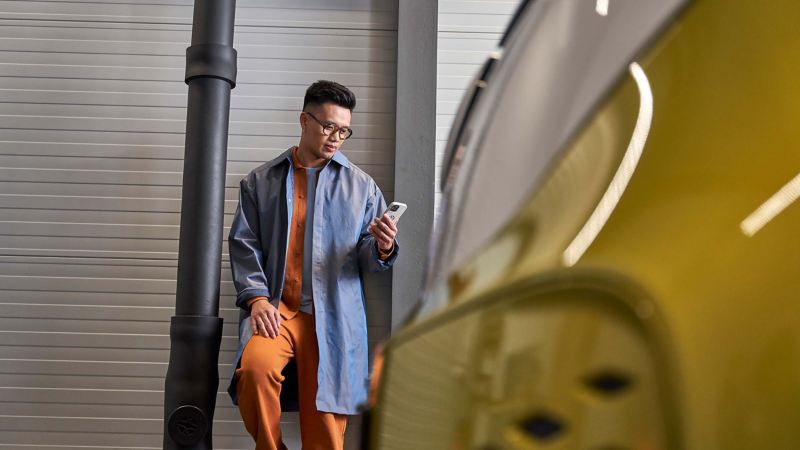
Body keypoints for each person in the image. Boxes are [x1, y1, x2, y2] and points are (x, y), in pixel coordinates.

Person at [227, 80, 399, 450]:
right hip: (277, 312)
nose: (336, 137)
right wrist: (256, 299)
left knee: (326, 424)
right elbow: (244, 242)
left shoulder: (362, 186)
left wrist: (383, 247)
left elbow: (367, 256)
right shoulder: (260, 182)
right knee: (254, 373)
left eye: (344, 130)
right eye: (328, 126)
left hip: (333, 318)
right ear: (304, 120)